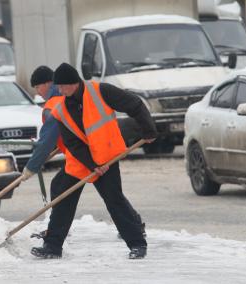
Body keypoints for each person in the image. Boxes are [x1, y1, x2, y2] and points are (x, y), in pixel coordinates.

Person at [30, 63, 157, 260]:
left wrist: (148, 130)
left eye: (62, 87)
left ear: (73, 83)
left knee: (114, 200)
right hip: (81, 160)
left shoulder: (101, 91)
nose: (60, 91)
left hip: (107, 156)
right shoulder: (61, 109)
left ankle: (137, 244)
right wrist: (93, 165)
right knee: (63, 199)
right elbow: (72, 143)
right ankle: (52, 247)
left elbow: (134, 104)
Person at [21, 65, 64, 181]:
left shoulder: (52, 107)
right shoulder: (67, 93)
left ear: (47, 83)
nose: (38, 93)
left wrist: (31, 167)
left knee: (59, 188)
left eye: (37, 87)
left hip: (80, 157)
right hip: (94, 152)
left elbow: (47, 140)